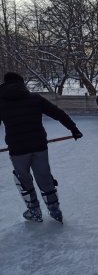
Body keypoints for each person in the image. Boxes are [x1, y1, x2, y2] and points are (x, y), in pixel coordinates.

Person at [0, 72, 83, 223]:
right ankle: (55, 210)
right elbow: (58, 113)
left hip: (18, 150)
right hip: (39, 146)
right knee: (44, 177)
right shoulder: (34, 98)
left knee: (23, 180)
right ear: (21, 84)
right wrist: (73, 129)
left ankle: (34, 212)